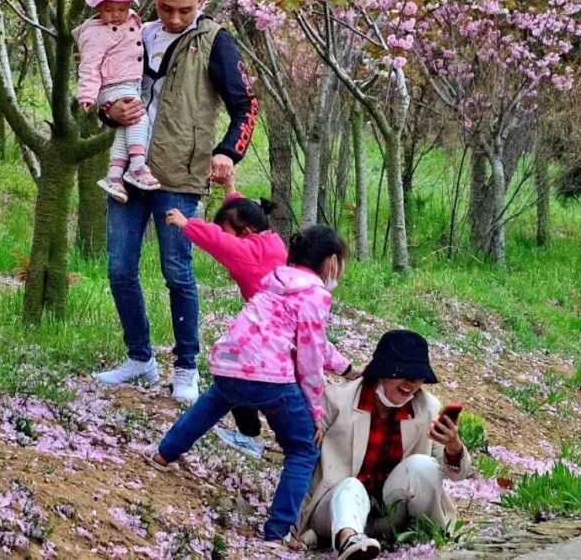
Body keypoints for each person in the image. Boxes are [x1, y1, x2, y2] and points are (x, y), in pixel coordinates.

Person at [92, 0, 259, 404]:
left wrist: (227, 152)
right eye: (166, 8)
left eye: (185, 10)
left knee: (177, 271)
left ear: (201, 1)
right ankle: (139, 359)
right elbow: (106, 86)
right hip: (129, 168)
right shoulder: (135, 33)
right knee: (120, 269)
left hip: (181, 176)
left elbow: (247, 105)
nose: (175, 18)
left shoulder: (216, 41)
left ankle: (186, 366)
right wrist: (109, 112)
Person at [147, 226, 360, 549]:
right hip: (269, 376)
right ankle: (278, 531)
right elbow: (311, 358)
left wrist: (346, 368)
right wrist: (316, 413)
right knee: (303, 447)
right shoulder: (316, 295)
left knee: (215, 402)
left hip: (229, 362)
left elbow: (312, 341)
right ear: (332, 263)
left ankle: (164, 454)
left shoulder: (276, 281)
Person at [296, 330, 473, 560]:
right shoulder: (336, 400)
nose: (411, 383)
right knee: (351, 486)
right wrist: (290, 526)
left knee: (424, 466)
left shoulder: (427, 408)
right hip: (335, 512)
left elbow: (456, 474)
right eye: (403, 373)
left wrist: (453, 446)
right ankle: (350, 543)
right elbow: (301, 460)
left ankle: (427, 536)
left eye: (418, 376)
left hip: (391, 515)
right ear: (382, 371)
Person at [163, 172, 286, 460]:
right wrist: (230, 188)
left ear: (245, 232)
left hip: (270, 333)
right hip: (276, 329)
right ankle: (272, 438)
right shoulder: (271, 241)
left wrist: (187, 224)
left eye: (227, 230)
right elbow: (243, 212)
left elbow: (218, 242)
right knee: (244, 374)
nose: (225, 233)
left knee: (238, 372)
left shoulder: (249, 251)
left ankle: (256, 437)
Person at [73, 0, 160, 201]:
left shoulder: (132, 20)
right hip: (113, 84)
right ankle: (137, 166)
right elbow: (89, 66)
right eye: (109, 10)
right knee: (138, 115)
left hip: (129, 83)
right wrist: (87, 95)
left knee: (126, 125)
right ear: (98, 7)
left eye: (122, 9)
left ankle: (114, 175)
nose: (116, 15)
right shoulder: (95, 33)